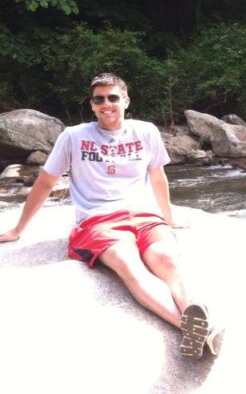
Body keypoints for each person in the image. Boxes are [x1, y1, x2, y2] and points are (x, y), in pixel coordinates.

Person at [0, 72, 221, 358]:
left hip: (144, 215)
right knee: (129, 265)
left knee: (167, 261)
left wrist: (168, 217)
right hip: (99, 220)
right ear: (92, 105)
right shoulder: (74, 136)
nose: (107, 104)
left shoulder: (145, 131)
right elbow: (46, 182)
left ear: (126, 101)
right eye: (99, 99)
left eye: (113, 98)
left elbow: (158, 176)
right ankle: (191, 329)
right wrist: (19, 228)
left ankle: (196, 316)